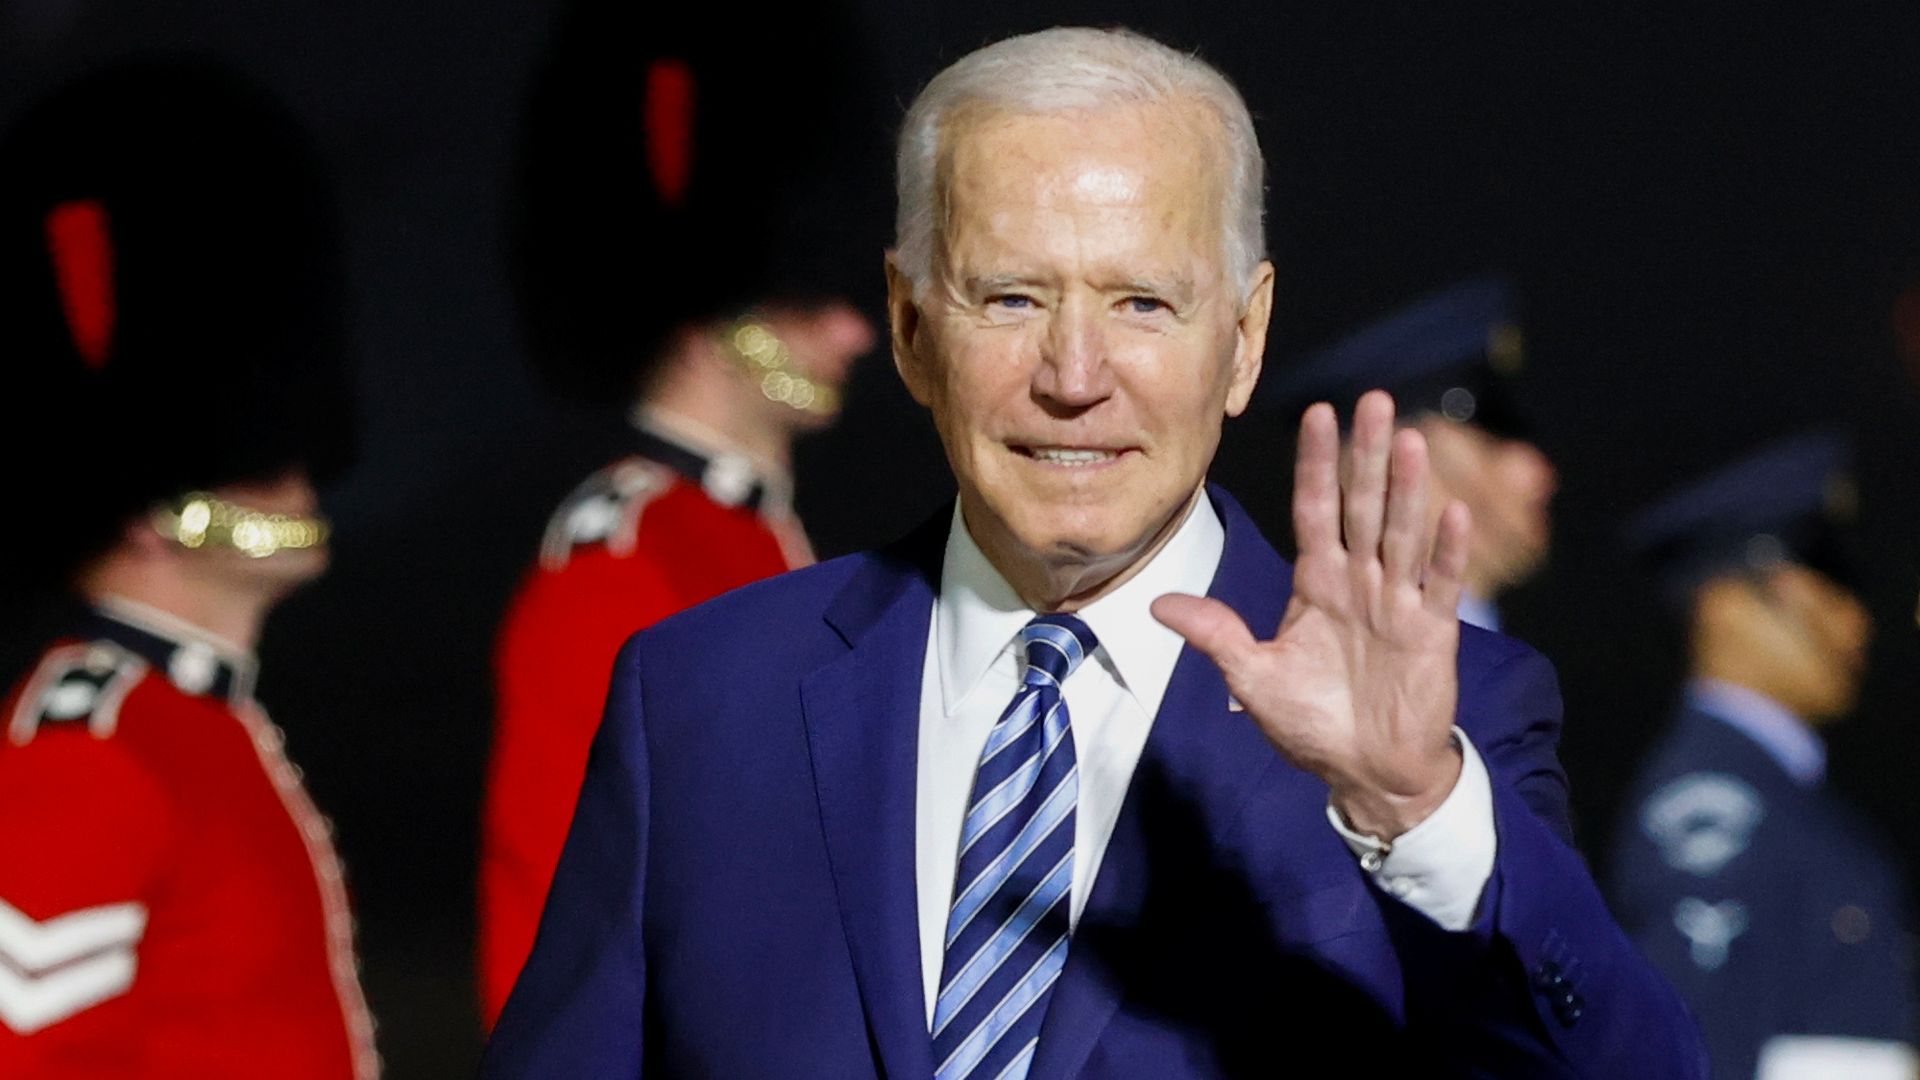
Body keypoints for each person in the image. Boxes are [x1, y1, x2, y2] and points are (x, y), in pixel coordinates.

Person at [485, 27, 1704, 1077]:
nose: (1075, 380)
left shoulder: (1452, 737)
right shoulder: (698, 701)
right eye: (1011, 298)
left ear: (1244, 340)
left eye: (1143, 305)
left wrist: (1414, 809)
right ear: (910, 328)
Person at [476, 0, 881, 1024]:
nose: (851, 330)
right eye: (804, 296)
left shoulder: (754, 537)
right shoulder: (617, 563)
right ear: (717, 308)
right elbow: (553, 930)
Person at [0, 61, 378, 1076]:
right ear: (141, 503)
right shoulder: (87, 749)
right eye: (256, 448)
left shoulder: (194, 723)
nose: (295, 469)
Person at [1609, 433, 1916, 1080]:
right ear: (1725, 607)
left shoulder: (1788, 803)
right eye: (1824, 584)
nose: (1855, 620)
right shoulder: (1711, 805)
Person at [1262, 278, 1557, 631]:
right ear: (1385, 451)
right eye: (1494, 431)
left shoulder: (1494, 657)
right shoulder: (1337, 661)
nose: (1537, 471)